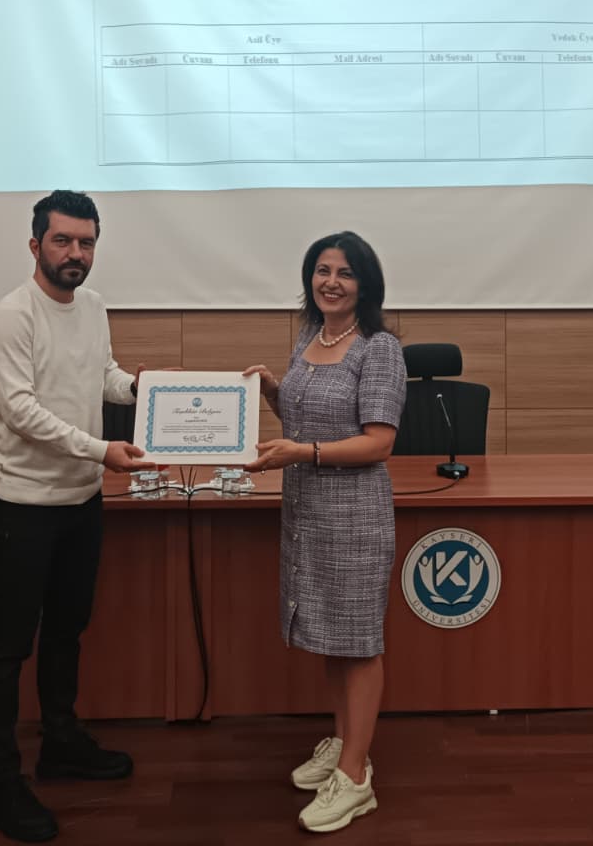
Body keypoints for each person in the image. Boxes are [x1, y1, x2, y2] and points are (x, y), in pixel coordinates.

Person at [0, 190, 151, 843]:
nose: (75, 253)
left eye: (86, 242)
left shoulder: (94, 307)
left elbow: (101, 375)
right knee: (9, 647)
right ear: (36, 245)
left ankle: (60, 744)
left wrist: (142, 388)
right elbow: (21, 412)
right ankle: (1, 784)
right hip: (27, 507)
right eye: (62, 240)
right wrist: (101, 450)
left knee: (67, 632)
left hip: (83, 502)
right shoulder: (10, 316)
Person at [242, 231, 406, 834]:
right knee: (333, 637)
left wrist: (302, 452)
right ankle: (343, 742)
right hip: (308, 511)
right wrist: (273, 392)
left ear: (366, 284)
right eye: (322, 270)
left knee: (358, 642)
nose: (331, 282)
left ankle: (357, 778)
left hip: (355, 516)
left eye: (345, 273)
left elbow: (378, 442)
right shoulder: (310, 337)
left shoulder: (379, 348)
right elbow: (305, 420)